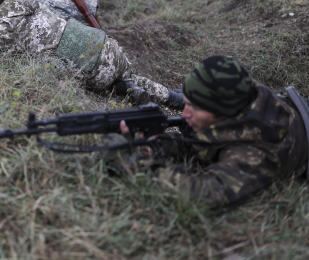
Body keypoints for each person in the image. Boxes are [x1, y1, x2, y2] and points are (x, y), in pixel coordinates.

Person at [102, 55, 309, 210]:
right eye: (187, 103)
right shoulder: (241, 94)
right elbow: (211, 139)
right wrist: (161, 143)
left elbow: (202, 195)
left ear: (222, 113)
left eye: (196, 108)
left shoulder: (256, 152)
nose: (184, 113)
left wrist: (134, 164)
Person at [0, 0, 184, 108]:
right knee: (129, 75)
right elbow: (21, 35)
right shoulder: (31, 5)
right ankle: (175, 99)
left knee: (100, 81)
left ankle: (120, 88)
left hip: (94, 67)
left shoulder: (8, 24)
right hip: (105, 44)